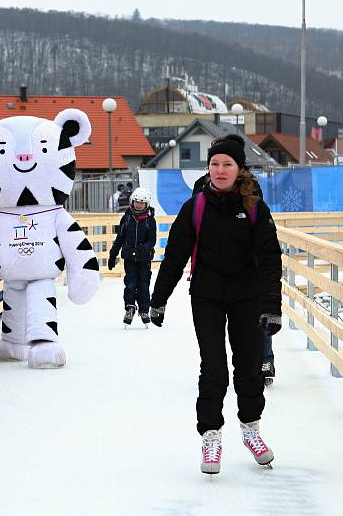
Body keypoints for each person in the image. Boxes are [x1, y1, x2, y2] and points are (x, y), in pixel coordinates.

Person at [149, 134, 282, 474]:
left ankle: (251, 428)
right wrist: (159, 298)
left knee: (249, 367)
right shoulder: (196, 207)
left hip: (247, 297)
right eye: (214, 164)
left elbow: (269, 260)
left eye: (227, 164)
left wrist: (272, 306)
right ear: (208, 168)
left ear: (239, 169)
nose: (220, 170)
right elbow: (175, 254)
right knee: (213, 368)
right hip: (206, 296)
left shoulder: (254, 207)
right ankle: (211, 434)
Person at [192, 173, 276, 385]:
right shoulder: (201, 186)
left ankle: (265, 360)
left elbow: (260, 220)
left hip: (248, 268)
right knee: (214, 330)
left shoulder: (252, 185)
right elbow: (194, 225)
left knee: (257, 321)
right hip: (212, 272)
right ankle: (216, 370)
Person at [108, 187, 157, 326]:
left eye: (141, 203)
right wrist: (113, 255)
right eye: (136, 202)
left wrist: (145, 248)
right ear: (132, 202)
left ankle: (144, 310)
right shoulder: (127, 219)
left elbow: (152, 240)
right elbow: (120, 238)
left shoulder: (150, 221)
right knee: (130, 284)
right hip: (129, 258)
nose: (138, 205)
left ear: (146, 204)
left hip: (144, 259)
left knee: (143, 284)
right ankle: (130, 308)